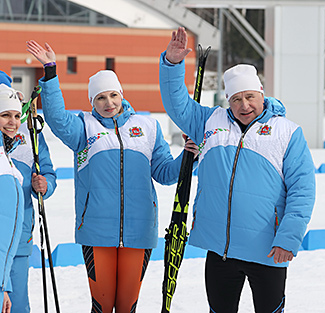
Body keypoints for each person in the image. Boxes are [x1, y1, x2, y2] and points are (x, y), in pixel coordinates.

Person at [26, 40, 198, 313]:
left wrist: (188, 158)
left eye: (113, 96)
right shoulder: (83, 128)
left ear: (121, 94)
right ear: (92, 101)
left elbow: (164, 173)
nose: (108, 103)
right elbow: (57, 119)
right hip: (97, 231)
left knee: (127, 305)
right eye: (100, 98)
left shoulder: (148, 127)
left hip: (139, 229)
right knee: (103, 306)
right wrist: (50, 72)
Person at [159, 27, 316, 313]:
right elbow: (177, 104)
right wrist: (172, 64)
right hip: (220, 251)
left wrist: (288, 238)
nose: (244, 105)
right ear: (227, 101)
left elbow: (302, 190)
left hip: (268, 250)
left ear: (261, 94)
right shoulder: (209, 122)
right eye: (236, 99)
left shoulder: (287, 132)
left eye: (250, 97)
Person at [0, 71, 57, 313]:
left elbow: (48, 172)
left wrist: (45, 185)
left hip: (20, 236)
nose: (12, 119)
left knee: (18, 304)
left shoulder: (29, 131)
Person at [0, 84, 25, 313]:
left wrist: (4, 286)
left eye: (17, 115)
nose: (13, 122)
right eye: (5, 115)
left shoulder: (7, 158)